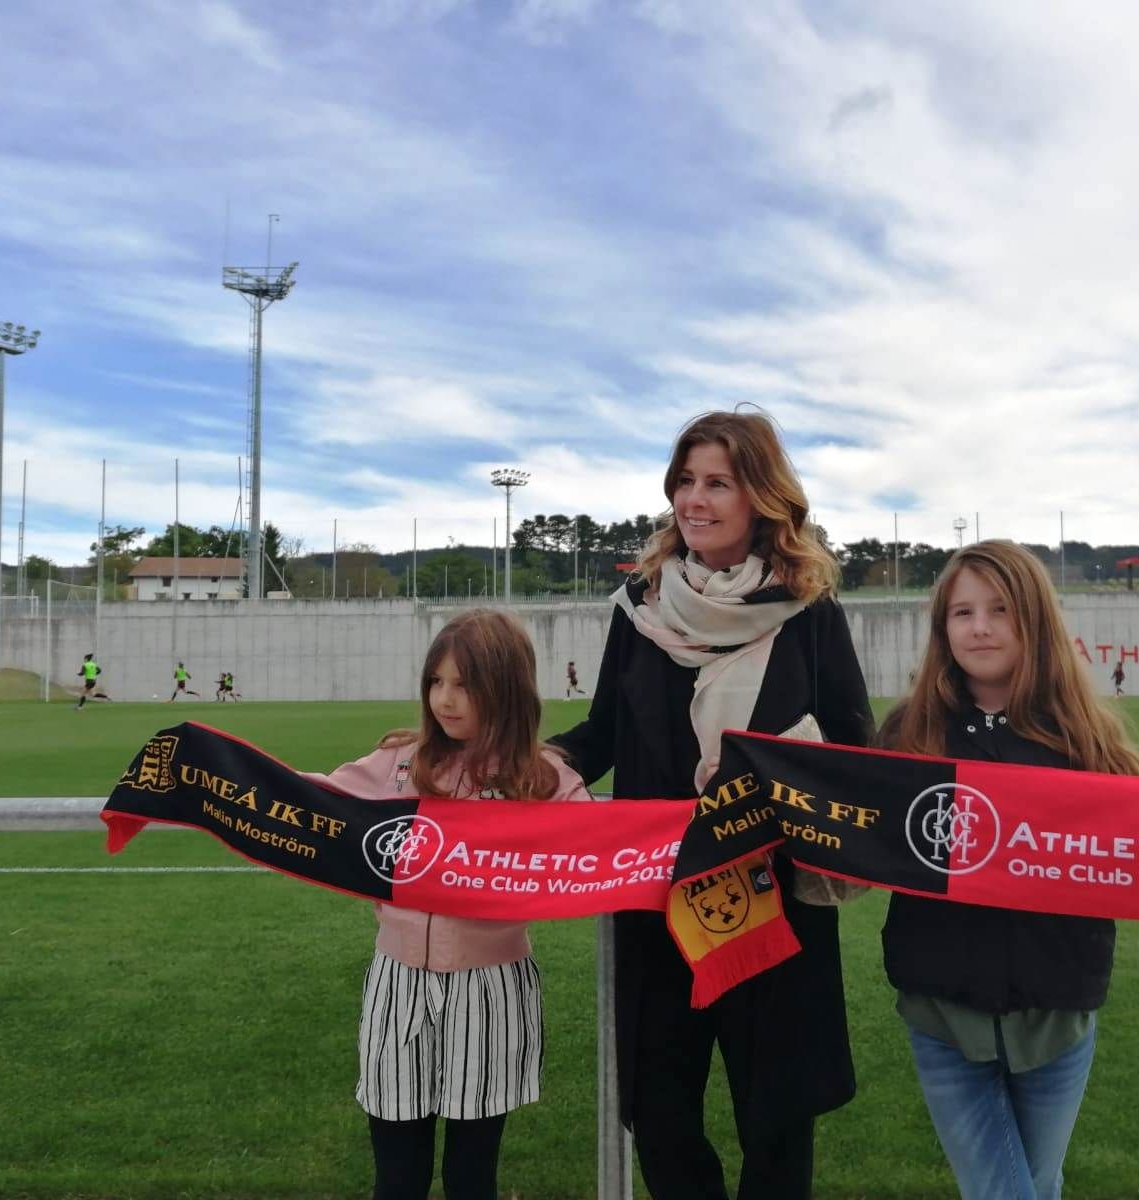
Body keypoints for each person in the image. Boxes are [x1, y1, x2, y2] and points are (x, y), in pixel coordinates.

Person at [552, 409, 873, 1200]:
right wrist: (547, 758)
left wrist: (792, 764)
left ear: (760, 495)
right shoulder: (639, 606)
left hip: (774, 904)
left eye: (717, 483)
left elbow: (852, 742)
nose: (694, 499)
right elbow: (603, 732)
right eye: (685, 481)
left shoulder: (807, 610)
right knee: (661, 1116)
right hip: (659, 902)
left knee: (776, 1122)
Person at [878, 540, 1139, 1200]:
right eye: (961, 612)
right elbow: (852, 832)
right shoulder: (907, 732)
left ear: (1035, 618)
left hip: (1059, 1014)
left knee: (1037, 1184)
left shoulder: (1087, 738)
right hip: (941, 1013)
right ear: (941, 628)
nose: (979, 627)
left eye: (1000, 609)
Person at [309, 609, 591, 1200]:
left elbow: (602, 852)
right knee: (398, 1176)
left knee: (471, 1177)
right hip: (396, 983)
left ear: (506, 688)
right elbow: (315, 802)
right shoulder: (399, 764)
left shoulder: (543, 781)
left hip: (492, 988)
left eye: (464, 684)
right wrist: (223, 783)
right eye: (435, 682)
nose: (445, 699)